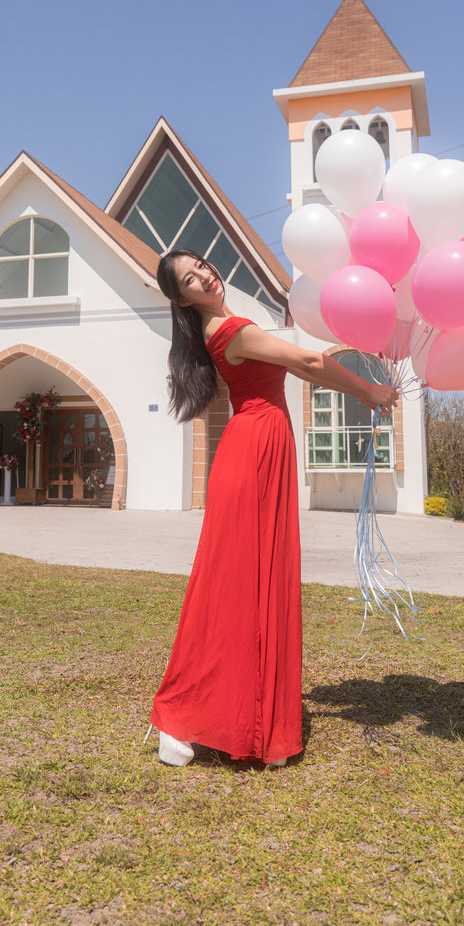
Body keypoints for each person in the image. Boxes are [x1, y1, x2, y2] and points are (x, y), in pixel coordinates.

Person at [149, 249, 399, 768]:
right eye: (190, 279)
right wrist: (369, 391)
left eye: (202, 266)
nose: (205, 275)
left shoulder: (227, 330)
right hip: (254, 450)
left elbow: (302, 371)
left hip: (262, 445)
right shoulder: (230, 330)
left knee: (257, 580)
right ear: (182, 299)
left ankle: (254, 719)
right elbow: (308, 361)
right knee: (234, 584)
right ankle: (180, 717)